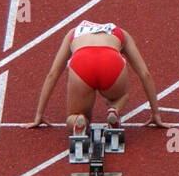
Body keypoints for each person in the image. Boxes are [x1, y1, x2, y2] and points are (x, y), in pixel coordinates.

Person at [26, 19, 165, 131]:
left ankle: (78, 120)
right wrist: (155, 114)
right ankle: (114, 109)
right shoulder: (120, 33)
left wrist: (39, 114)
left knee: (74, 115)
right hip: (111, 62)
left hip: (82, 62)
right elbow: (144, 74)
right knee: (122, 96)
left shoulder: (72, 33)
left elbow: (53, 74)